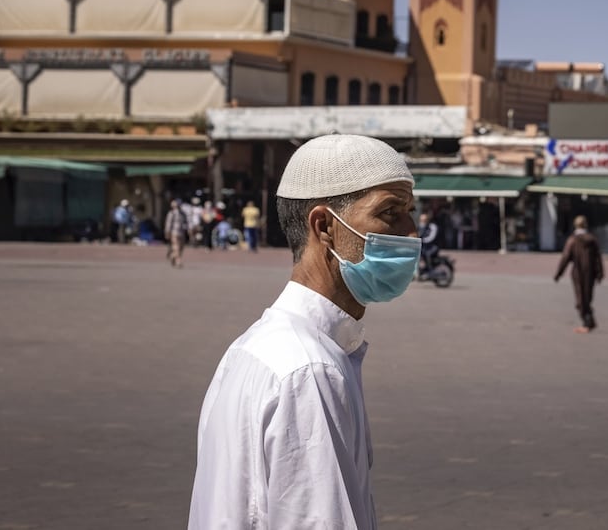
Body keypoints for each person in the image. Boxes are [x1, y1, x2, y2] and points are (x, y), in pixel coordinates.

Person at [188, 134, 420, 530]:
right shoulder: (310, 371)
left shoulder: (253, 348)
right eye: (390, 213)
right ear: (325, 225)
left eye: (410, 211)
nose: (412, 232)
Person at [554, 215, 604, 333]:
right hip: (590, 273)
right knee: (587, 297)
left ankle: (587, 323)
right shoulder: (592, 239)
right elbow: (598, 258)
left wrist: (558, 274)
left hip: (577, 273)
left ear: (575, 225)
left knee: (580, 299)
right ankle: (589, 322)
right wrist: (600, 273)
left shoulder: (572, 240)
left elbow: (565, 258)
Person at [164, 199, 189, 268]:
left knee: (181, 247)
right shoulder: (171, 213)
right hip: (174, 232)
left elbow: (186, 223)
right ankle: (178, 261)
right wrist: (167, 232)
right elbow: (168, 224)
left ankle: (172, 256)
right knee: (176, 246)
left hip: (182, 232)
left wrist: (187, 230)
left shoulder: (183, 213)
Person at [418, 212, 440, 277]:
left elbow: (431, 237)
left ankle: (431, 271)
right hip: (424, 246)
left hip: (433, 246)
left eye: (424, 220)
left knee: (427, 254)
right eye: (421, 220)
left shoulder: (433, 227)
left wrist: (423, 240)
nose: (422, 222)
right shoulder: (421, 226)